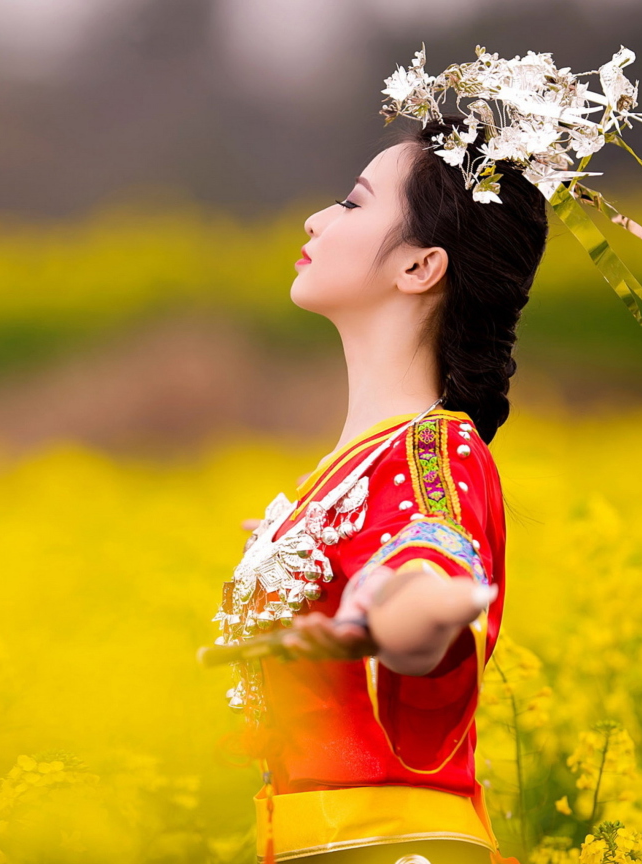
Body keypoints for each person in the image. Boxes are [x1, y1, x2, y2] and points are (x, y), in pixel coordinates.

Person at [209, 111, 547, 864]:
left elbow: (430, 560)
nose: (316, 217)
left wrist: (414, 612)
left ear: (420, 267)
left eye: (355, 202)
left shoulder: (434, 448)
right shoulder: (353, 465)